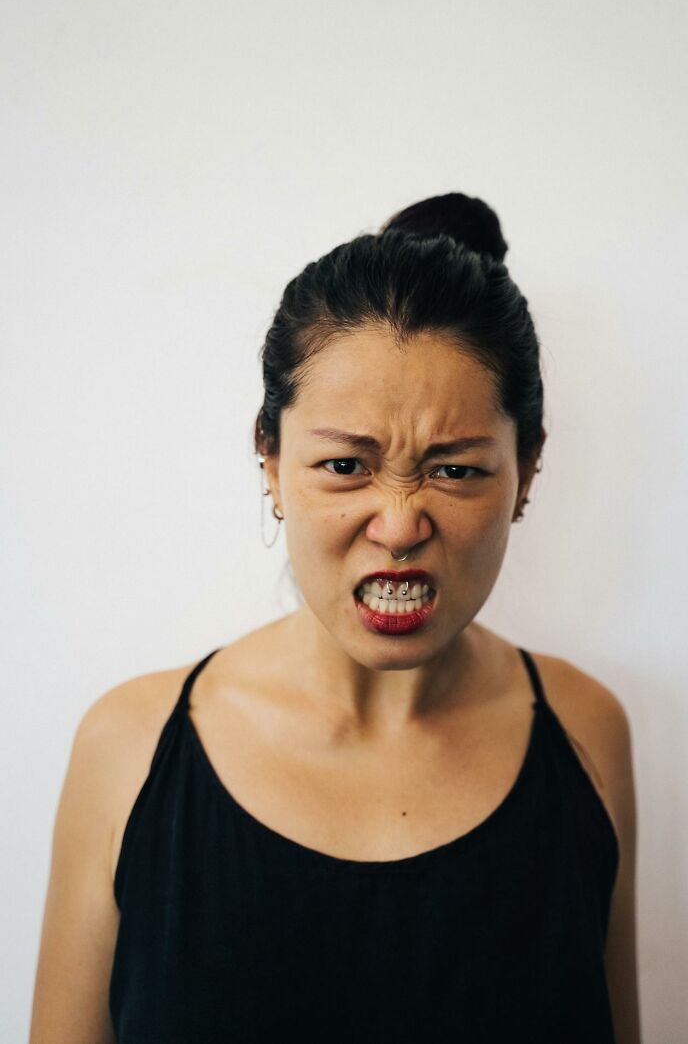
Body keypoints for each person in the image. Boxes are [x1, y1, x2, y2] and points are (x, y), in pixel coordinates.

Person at [29, 192, 641, 1043]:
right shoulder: (129, 749)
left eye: (456, 471)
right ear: (271, 462)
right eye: (346, 465)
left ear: (527, 470)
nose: (398, 525)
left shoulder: (585, 732)